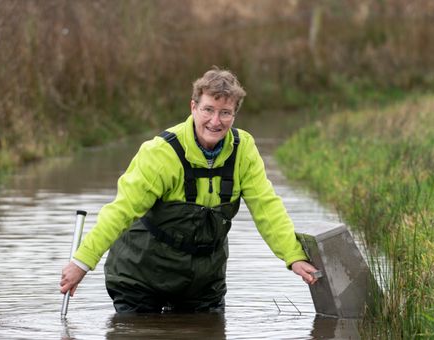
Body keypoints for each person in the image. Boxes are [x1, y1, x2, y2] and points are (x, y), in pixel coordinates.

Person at [59, 67, 318, 313]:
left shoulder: (244, 150)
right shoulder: (160, 152)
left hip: (203, 283)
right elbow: (120, 211)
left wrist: (293, 256)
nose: (215, 121)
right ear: (193, 107)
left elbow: (267, 208)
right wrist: (82, 263)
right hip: (141, 276)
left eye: (225, 113)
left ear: (234, 115)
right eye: (208, 110)